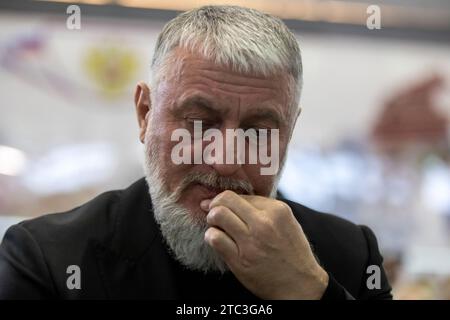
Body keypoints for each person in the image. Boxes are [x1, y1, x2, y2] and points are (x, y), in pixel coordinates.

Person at [0, 5, 392, 300]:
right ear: (145, 115)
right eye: (198, 121)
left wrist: (312, 291)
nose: (225, 161)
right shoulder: (48, 260)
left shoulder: (351, 257)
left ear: (289, 133)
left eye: (258, 131)